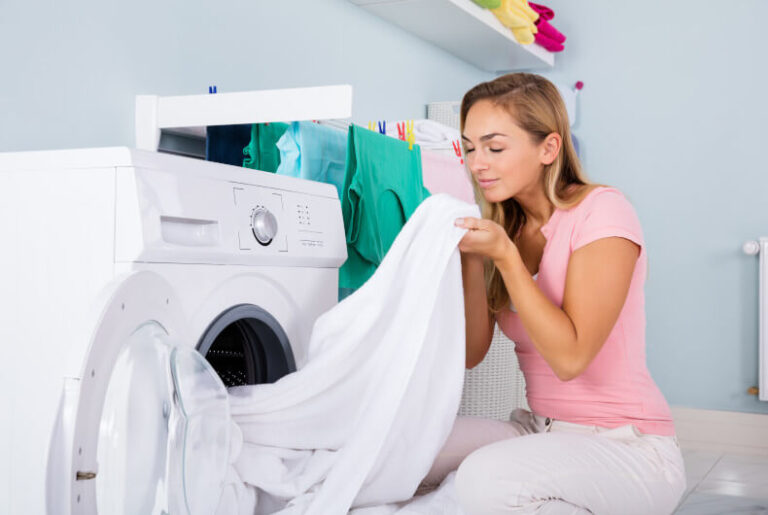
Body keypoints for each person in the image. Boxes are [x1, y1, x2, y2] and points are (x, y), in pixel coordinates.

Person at [420, 73, 686, 514]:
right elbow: (471, 352)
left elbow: (570, 358)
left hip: (629, 448)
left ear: (549, 148)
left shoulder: (603, 212)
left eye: (495, 147)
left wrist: (504, 257)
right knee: (404, 445)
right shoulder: (507, 228)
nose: (477, 163)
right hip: (539, 431)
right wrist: (471, 257)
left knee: (483, 478)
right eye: (469, 148)